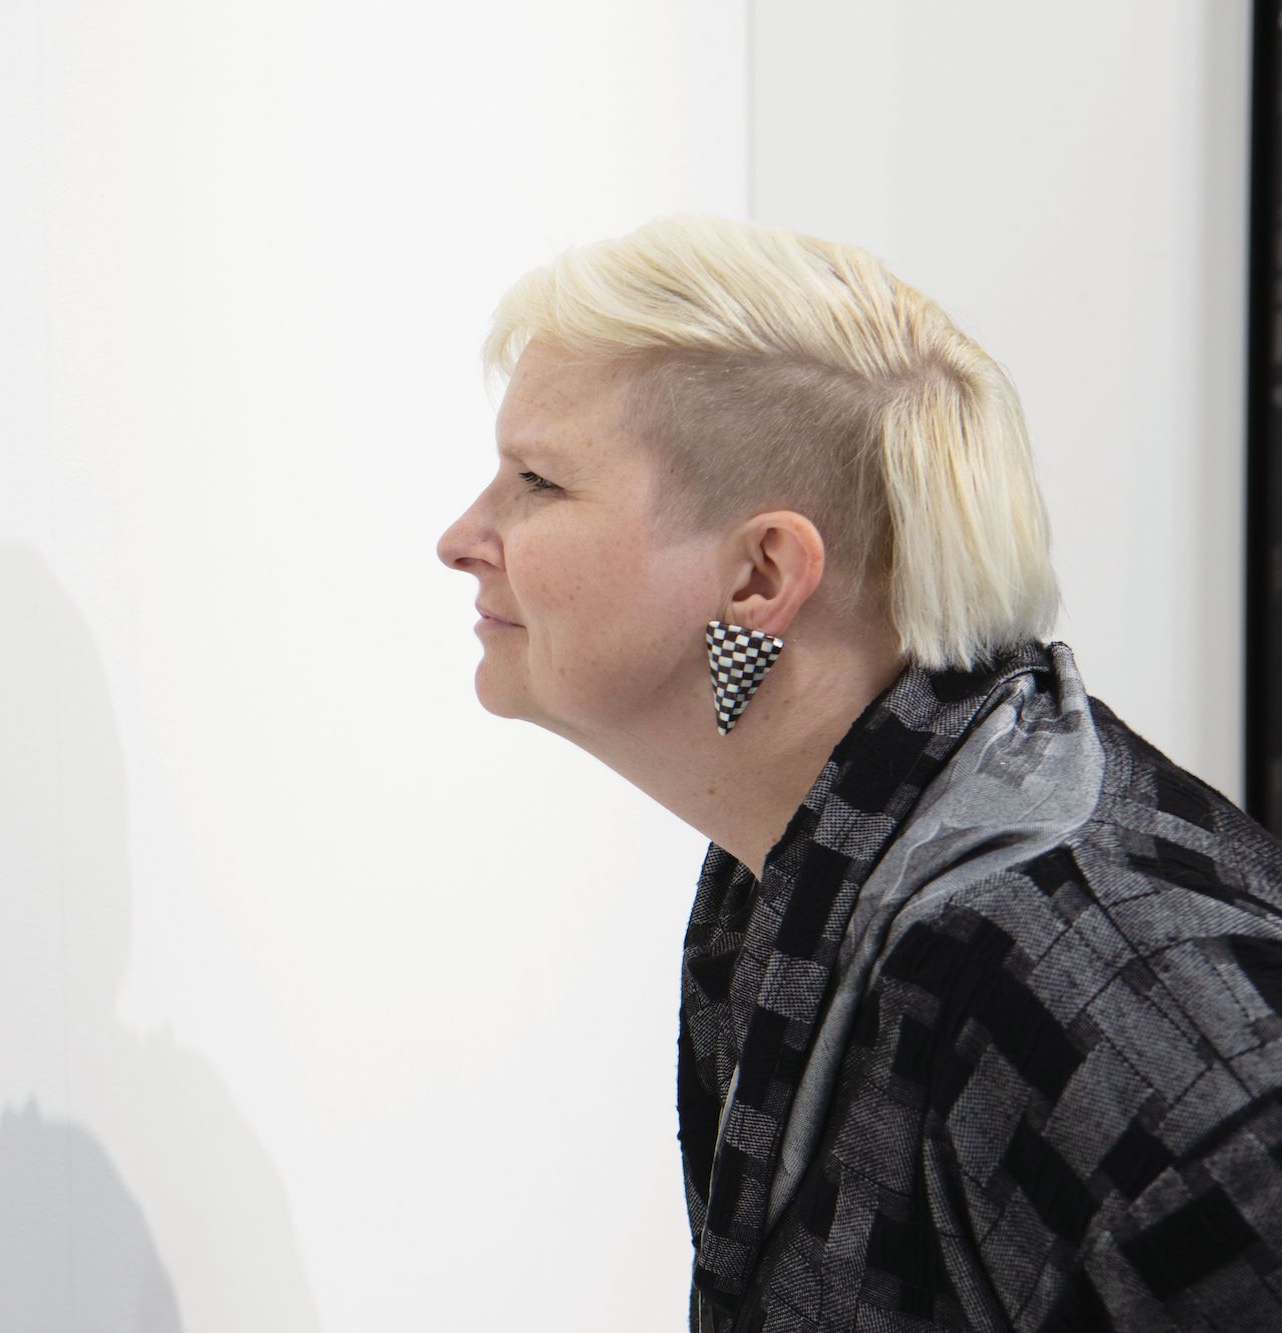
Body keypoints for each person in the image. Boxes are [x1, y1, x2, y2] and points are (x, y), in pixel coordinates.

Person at [436, 214, 1282, 1332]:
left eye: (537, 481)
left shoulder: (1121, 1006)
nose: (461, 536)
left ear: (760, 575)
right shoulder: (796, 880)